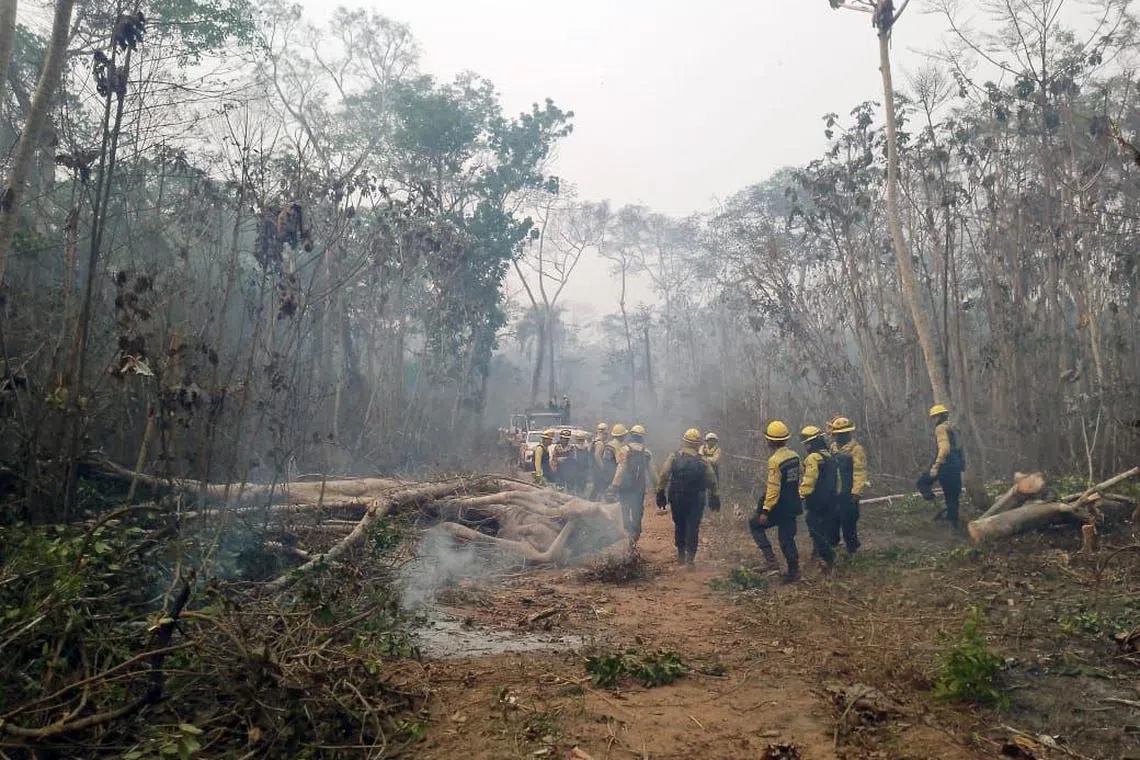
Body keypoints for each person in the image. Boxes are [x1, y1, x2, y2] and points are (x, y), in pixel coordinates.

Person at [655, 428, 720, 568]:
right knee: (693, 526)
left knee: (680, 525)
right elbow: (712, 480)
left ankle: (681, 555)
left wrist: (660, 492)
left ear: (683, 441)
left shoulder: (674, 456)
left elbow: (664, 474)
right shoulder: (703, 460)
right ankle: (691, 558)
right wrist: (715, 496)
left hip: (677, 496)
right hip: (697, 498)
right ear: (698, 444)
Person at [749, 420, 802, 583]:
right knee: (787, 538)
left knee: (755, 524)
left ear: (770, 441)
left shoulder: (775, 461)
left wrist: (765, 510)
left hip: (779, 506)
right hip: (793, 503)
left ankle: (771, 561)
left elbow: (773, 488)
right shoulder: (795, 456)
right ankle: (794, 571)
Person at [799, 425, 838, 573]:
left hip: (816, 501)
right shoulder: (829, 455)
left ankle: (828, 557)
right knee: (824, 528)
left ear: (813, 442)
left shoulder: (813, 458)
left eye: (807, 443)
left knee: (814, 527)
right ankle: (817, 555)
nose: (806, 446)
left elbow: (809, 479)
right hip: (831, 499)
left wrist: (801, 494)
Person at [610, 424, 654, 550]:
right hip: (639, 490)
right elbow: (653, 472)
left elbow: (620, 470)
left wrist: (614, 486)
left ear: (631, 436)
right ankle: (634, 540)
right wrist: (659, 488)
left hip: (624, 489)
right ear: (642, 438)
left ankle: (627, 537)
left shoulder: (624, 450)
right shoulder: (647, 452)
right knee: (637, 514)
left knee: (624, 512)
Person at [828, 416, 867, 555]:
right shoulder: (832, 448)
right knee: (833, 520)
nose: (835, 436)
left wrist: (856, 492)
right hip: (834, 493)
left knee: (848, 522)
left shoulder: (856, 449)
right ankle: (833, 547)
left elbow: (860, 472)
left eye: (838, 434)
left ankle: (852, 550)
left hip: (848, 493)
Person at [927, 403, 965, 529]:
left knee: (923, 482)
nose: (934, 419)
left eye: (935, 417)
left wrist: (936, 465)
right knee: (953, 495)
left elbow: (944, 448)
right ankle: (953, 520)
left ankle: (950, 524)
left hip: (946, 463)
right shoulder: (953, 427)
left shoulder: (940, 429)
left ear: (940, 416)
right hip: (957, 463)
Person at [590, 423, 610, 499]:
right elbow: (597, 456)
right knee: (598, 487)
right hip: (598, 468)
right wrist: (603, 468)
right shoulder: (600, 443)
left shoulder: (594, 441)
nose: (607, 434)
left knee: (597, 487)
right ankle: (592, 502)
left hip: (594, 467)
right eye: (606, 432)